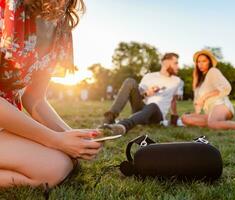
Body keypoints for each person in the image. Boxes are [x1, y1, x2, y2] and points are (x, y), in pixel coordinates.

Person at [0, 0, 102, 188]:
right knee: (55, 167)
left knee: (64, 161)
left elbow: (35, 98)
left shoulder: (61, 25)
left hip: (7, 122)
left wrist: (71, 137)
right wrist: (55, 140)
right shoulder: (5, 9)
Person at [101, 53, 181, 134]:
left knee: (153, 105)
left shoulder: (177, 81)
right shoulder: (149, 76)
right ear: (165, 62)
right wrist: (146, 93)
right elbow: (139, 95)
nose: (178, 66)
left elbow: (173, 100)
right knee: (130, 81)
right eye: (176, 63)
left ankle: (123, 126)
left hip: (156, 117)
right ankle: (108, 119)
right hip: (141, 110)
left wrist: (174, 119)